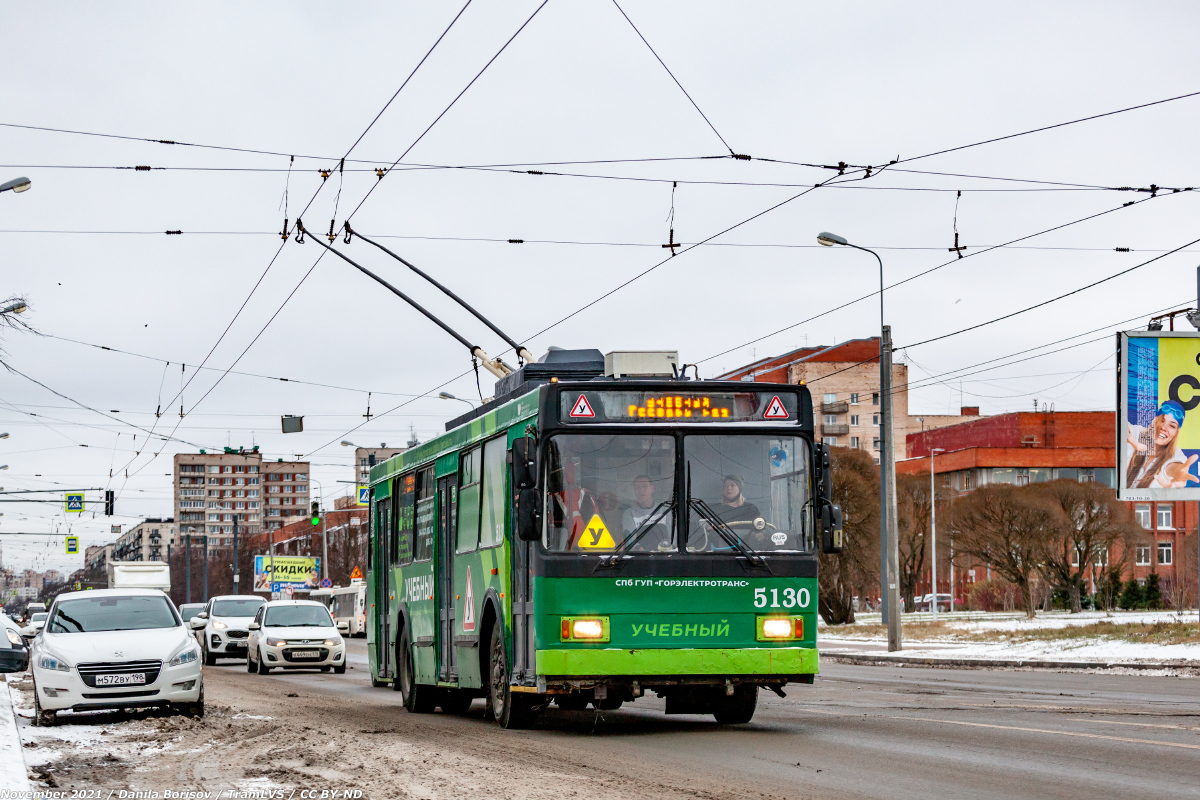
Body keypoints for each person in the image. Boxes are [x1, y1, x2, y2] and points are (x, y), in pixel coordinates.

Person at [1125, 400, 1200, 489]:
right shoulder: (1138, 434)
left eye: (1172, 426)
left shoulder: (1175, 454)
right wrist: (1129, 438)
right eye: (1162, 420)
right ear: (1155, 420)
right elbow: (1123, 423)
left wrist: (1178, 473)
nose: (1163, 427)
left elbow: (1173, 467)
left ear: (1176, 433)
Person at [622, 475, 672, 551]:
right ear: (634, 491)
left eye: (645, 486)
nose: (641, 490)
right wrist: (643, 552)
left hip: (667, 554)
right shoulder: (629, 513)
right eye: (637, 487)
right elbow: (630, 540)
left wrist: (668, 550)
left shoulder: (665, 510)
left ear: (652, 488)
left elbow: (674, 537)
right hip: (642, 556)